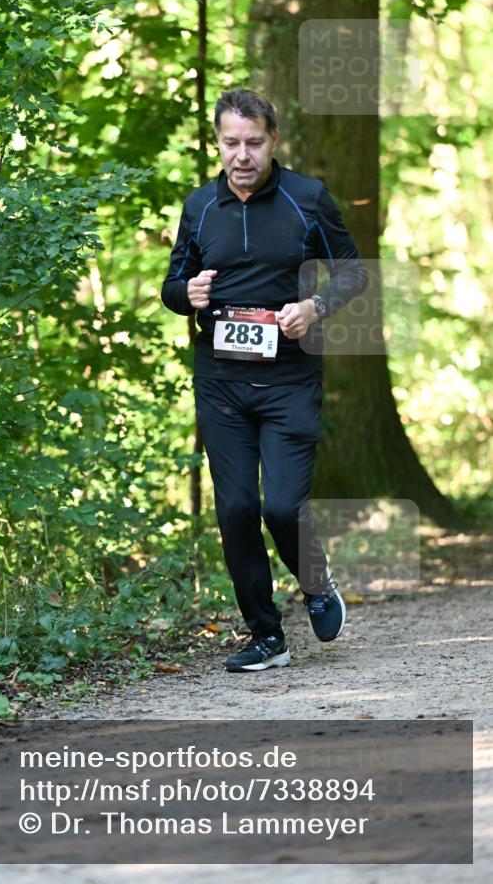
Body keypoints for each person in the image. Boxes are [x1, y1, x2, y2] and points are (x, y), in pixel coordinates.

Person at [161, 88, 368, 672]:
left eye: (254, 142)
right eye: (231, 143)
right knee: (233, 508)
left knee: (281, 506)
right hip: (220, 383)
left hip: (290, 380)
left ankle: (316, 581)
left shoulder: (308, 199)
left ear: (273, 141)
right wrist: (187, 293)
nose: (243, 155)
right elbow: (173, 286)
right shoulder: (199, 206)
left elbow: (353, 272)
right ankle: (265, 635)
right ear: (218, 144)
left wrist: (316, 308)